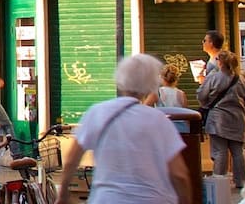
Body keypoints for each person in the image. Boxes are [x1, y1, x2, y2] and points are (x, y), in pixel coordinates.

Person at [57, 54, 189, 204]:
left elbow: (71, 160)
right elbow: (179, 175)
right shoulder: (159, 120)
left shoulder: (97, 113)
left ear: (120, 80)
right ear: (150, 84)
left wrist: (62, 195)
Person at [199, 51, 245, 191]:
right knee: (237, 151)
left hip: (218, 119)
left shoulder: (213, 77)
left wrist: (207, 103)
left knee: (220, 151)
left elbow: (202, 96)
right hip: (238, 119)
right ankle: (241, 181)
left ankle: (219, 180)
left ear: (220, 62)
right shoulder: (240, 79)